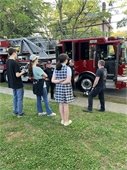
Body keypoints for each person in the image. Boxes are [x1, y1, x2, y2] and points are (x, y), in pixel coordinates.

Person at [52, 53, 74, 126]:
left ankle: (62, 120)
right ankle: (66, 121)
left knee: (61, 104)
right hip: (66, 88)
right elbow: (68, 80)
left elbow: (53, 80)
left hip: (58, 88)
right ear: (65, 60)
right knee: (65, 105)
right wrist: (62, 81)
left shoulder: (56, 68)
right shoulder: (68, 68)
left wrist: (59, 81)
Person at [6, 48, 26, 117]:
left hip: (12, 83)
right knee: (19, 98)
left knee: (15, 97)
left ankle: (15, 111)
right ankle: (20, 113)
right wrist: (23, 72)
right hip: (18, 83)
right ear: (14, 53)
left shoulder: (7, 61)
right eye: (16, 53)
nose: (17, 54)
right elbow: (17, 75)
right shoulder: (15, 62)